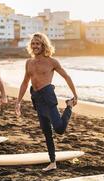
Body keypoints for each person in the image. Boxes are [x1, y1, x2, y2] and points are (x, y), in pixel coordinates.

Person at [15, 32, 78, 171]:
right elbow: (25, 83)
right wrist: (18, 101)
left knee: (59, 129)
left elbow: (66, 77)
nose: (35, 46)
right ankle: (52, 162)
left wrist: (75, 94)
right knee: (46, 132)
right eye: (33, 43)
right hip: (37, 99)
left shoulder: (51, 61)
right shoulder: (29, 62)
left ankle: (68, 106)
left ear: (43, 45)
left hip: (48, 97)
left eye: (38, 43)